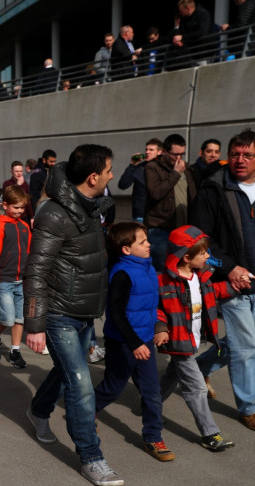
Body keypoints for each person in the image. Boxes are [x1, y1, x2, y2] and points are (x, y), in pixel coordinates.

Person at [24, 144, 122, 486]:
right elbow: (35, 272)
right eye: (109, 170)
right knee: (80, 385)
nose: (113, 176)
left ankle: (37, 409)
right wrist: (34, 326)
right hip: (59, 313)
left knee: (67, 369)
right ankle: (92, 458)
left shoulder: (91, 206)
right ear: (93, 177)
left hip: (83, 311)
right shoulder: (55, 213)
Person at [191, 128, 255, 430]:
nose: (240, 160)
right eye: (235, 155)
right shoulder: (213, 188)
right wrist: (229, 268)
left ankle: (197, 368)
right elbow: (201, 240)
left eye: (248, 155)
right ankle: (249, 408)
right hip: (233, 283)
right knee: (245, 348)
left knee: (243, 344)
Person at [93, 222, 173, 461]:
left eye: (147, 240)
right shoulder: (121, 274)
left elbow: (152, 304)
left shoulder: (148, 266)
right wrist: (134, 343)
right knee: (113, 387)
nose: (149, 244)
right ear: (127, 249)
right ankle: (87, 412)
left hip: (145, 339)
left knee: (151, 391)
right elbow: (116, 314)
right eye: (142, 242)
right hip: (123, 343)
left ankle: (153, 437)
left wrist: (159, 328)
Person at [155, 225, 236, 451]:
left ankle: (151, 405)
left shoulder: (202, 276)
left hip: (193, 340)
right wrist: (160, 328)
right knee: (197, 387)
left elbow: (215, 292)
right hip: (178, 340)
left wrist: (237, 286)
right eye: (203, 253)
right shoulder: (164, 281)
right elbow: (156, 308)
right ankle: (210, 434)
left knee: (173, 374)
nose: (208, 256)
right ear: (187, 257)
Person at [0, 186, 31, 368]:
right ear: (5, 205)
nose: (19, 211)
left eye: (22, 208)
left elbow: (29, 252)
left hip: (22, 281)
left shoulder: (25, 226)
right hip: (5, 281)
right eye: (16, 207)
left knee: (20, 319)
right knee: (7, 319)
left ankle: (15, 351)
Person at [144, 134, 196, 272]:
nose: (178, 158)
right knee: (161, 268)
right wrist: (176, 173)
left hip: (183, 228)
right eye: (174, 154)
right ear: (165, 152)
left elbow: (193, 195)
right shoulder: (153, 167)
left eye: (182, 154)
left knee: (182, 267)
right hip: (161, 228)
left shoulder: (186, 168)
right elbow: (155, 193)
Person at [118, 138, 163, 222]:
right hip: (140, 214)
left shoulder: (163, 168)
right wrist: (132, 165)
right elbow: (123, 185)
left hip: (157, 215)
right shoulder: (139, 167)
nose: (147, 152)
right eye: (146, 149)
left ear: (159, 152)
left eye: (151, 150)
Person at [2, 161, 34, 225]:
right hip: (11, 216)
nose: (19, 173)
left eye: (21, 171)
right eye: (16, 171)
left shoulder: (25, 184)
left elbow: (28, 202)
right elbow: (10, 197)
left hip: (23, 216)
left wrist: (32, 217)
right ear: (12, 172)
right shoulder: (7, 183)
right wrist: (18, 185)